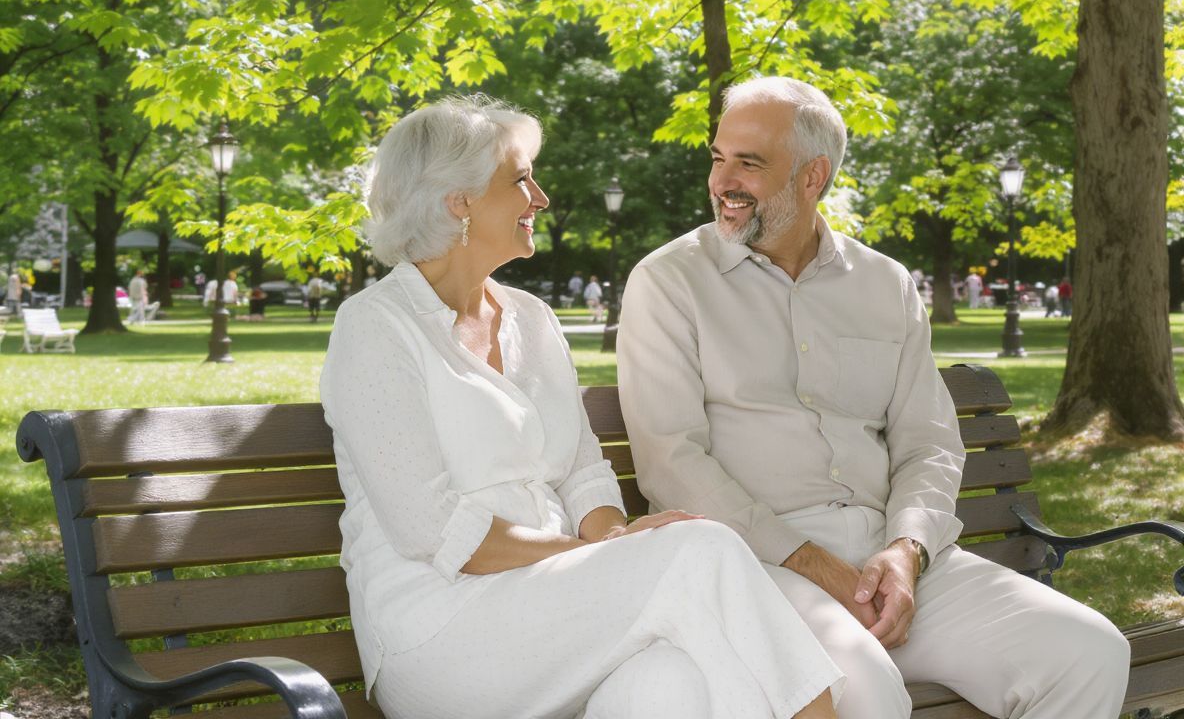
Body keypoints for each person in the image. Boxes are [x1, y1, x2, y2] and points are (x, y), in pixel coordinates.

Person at [617, 76, 1129, 719]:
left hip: (896, 564)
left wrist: (907, 549)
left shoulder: (885, 284)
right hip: (757, 565)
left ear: (813, 177)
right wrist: (813, 563)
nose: (723, 181)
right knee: (864, 695)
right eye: (719, 158)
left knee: (1089, 653)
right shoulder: (669, 283)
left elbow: (930, 441)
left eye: (749, 163)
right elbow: (670, 461)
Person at [319, 95, 843, 719]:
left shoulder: (533, 321)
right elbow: (429, 528)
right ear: (457, 199)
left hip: (555, 607)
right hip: (439, 630)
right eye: (519, 180)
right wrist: (605, 558)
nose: (539, 198)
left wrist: (613, 540)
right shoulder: (376, 326)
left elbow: (582, 471)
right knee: (702, 548)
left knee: (669, 688)